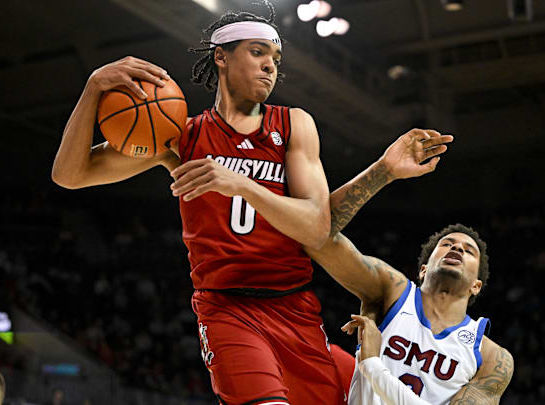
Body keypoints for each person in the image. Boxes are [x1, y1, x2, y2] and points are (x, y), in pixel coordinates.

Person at [50, 1, 453, 404]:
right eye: (258, 53)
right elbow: (69, 175)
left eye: (275, 58)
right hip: (226, 307)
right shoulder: (180, 135)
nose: (270, 66)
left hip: (295, 306)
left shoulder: (294, 124)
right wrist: (94, 87)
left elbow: (316, 226)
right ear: (221, 57)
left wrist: (241, 185)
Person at [306, 165, 514, 404]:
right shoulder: (391, 290)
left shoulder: (491, 357)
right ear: (423, 270)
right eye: (447, 244)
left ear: (476, 286)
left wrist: (373, 365)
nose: (457, 248)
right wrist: (384, 171)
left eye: (469, 251)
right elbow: (318, 238)